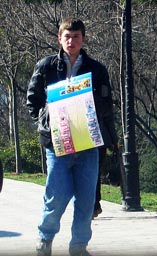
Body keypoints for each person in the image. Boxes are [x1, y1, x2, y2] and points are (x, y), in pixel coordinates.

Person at [26, 17, 117, 256]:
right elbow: (32, 100)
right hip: (57, 144)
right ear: (59, 38)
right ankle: (45, 239)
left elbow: (108, 104)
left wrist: (83, 104)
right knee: (55, 197)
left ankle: (78, 247)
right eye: (67, 36)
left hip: (88, 144)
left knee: (86, 201)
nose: (71, 41)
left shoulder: (97, 70)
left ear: (83, 39)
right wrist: (45, 120)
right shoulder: (46, 66)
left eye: (76, 36)